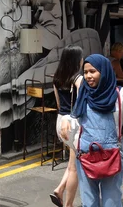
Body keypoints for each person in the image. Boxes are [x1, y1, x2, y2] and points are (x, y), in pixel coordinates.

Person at [61, 54, 123, 206]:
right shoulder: (84, 92)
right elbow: (76, 117)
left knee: (111, 202)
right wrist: (65, 120)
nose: (88, 76)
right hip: (85, 156)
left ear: (104, 71)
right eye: (86, 72)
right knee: (89, 203)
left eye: (93, 71)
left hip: (112, 157)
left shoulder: (120, 94)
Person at [50, 45, 84, 207]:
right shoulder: (78, 78)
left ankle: (60, 189)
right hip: (74, 123)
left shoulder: (57, 78)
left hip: (61, 121)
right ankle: (68, 204)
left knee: (73, 162)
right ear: (78, 60)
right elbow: (84, 101)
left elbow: (58, 103)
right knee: (74, 169)